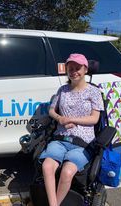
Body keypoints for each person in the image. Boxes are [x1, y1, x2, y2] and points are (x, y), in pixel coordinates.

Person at [39, 53, 104, 206]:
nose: (74, 71)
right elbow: (51, 110)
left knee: (67, 172)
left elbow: (95, 118)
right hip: (61, 138)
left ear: (85, 70)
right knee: (47, 166)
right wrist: (59, 118)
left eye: (77, 68)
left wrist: (71, 119)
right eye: (70, 68)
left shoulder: (94, 92)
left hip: (83, 142)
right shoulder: (62, 90)